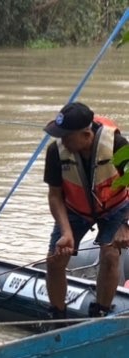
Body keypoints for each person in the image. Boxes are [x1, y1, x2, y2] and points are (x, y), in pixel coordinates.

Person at [43, 101, 129, 319]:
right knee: (55, 260)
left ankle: (100, 312)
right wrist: (66, 232)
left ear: (86, 135)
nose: (62, 141)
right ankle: (57, 316)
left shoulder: (117, 145)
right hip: (75, 209)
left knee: (110, 255)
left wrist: (125, 225)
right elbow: (54, 195)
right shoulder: (55, 151)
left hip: (115, 207)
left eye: (66, 136)